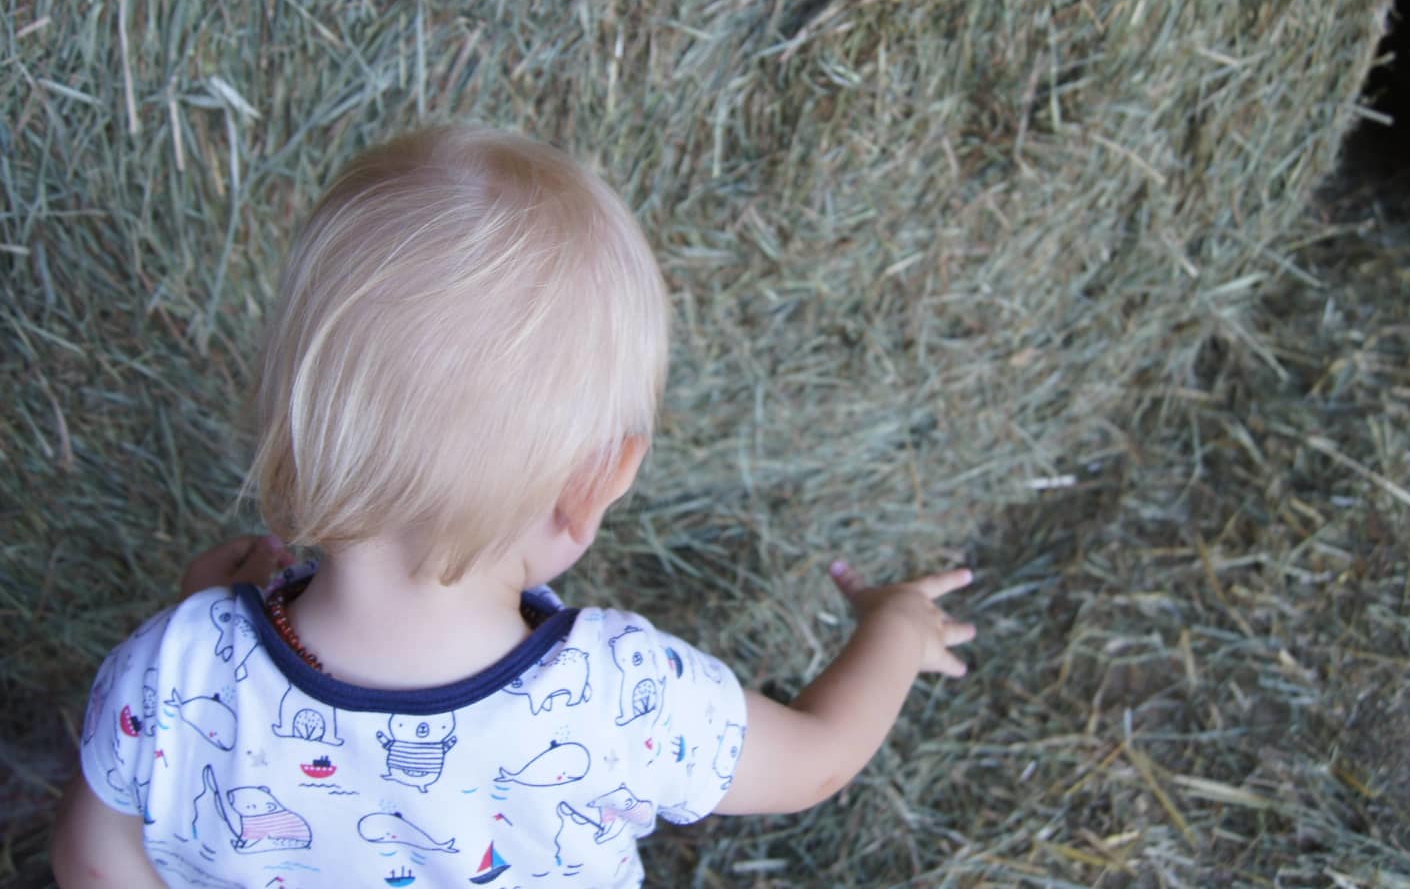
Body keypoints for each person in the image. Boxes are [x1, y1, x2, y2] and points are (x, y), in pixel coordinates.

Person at [52, 126, 976, 887]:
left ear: (288, 434)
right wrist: (894, 630)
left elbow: (94, 863)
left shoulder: (169, 673)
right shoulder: (625, 702)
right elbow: (816, 760)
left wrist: (201, 619)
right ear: (595, 485)